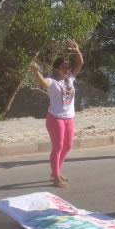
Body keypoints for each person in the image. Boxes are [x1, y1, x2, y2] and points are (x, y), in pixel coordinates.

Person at [30, 39, 83, 188]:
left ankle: (56, 172)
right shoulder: (52, 81)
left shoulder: (70, 78)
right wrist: (36, 72)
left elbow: (80, 63)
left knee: (68, 146)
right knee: (58, 146)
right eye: (64, 66)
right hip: (55, 118)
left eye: (68, 66)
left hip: (69, 118)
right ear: (57, 68)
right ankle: (56, 177)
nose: (68, 68)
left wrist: (77, 50)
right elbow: (43, 83)